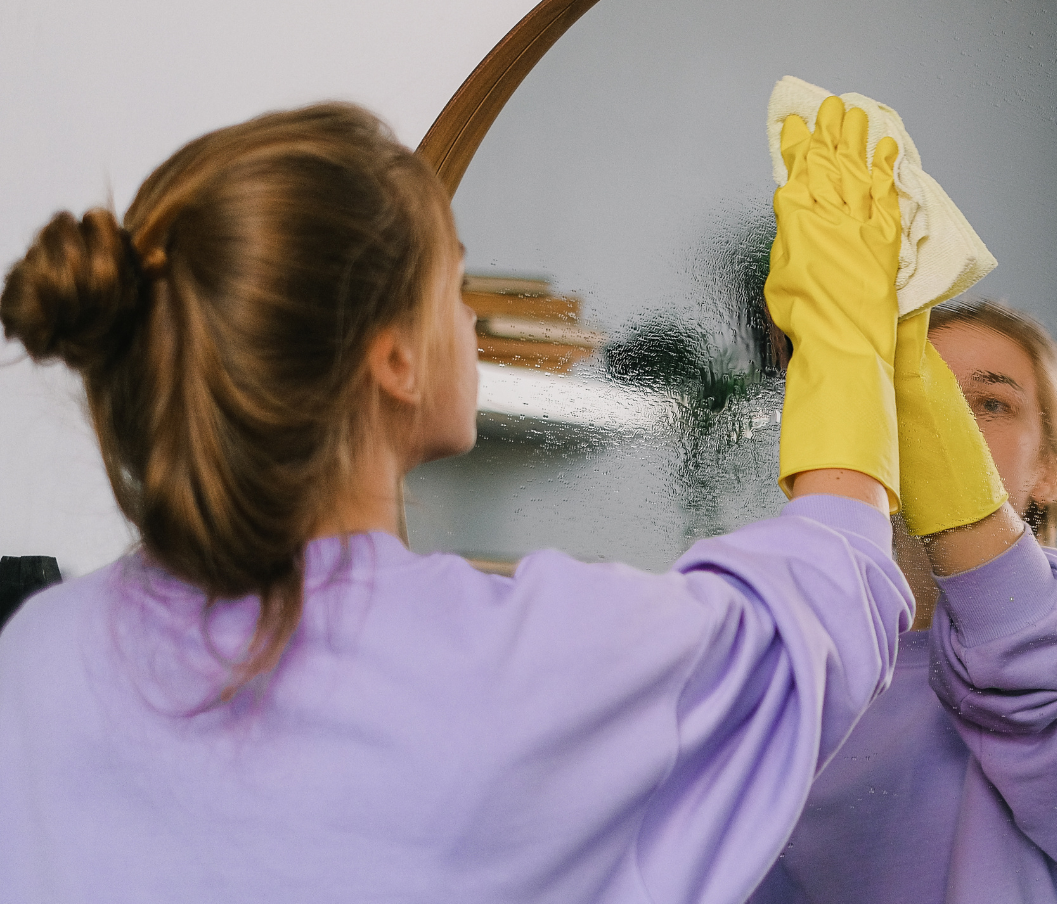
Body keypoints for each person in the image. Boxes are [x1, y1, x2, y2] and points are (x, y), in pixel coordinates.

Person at [0, 99, 950, 903]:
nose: (466, 317)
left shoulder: (39, 658)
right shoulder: (512, 663)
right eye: (453, 284)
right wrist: (847, 343)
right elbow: (808, 627)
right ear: (397, 360)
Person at [749, 300, 1057, 904]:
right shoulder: (792, 659)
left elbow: (1026, 655)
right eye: (915, 396)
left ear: (1048, 469)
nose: (948, 424)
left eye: (991, 404)